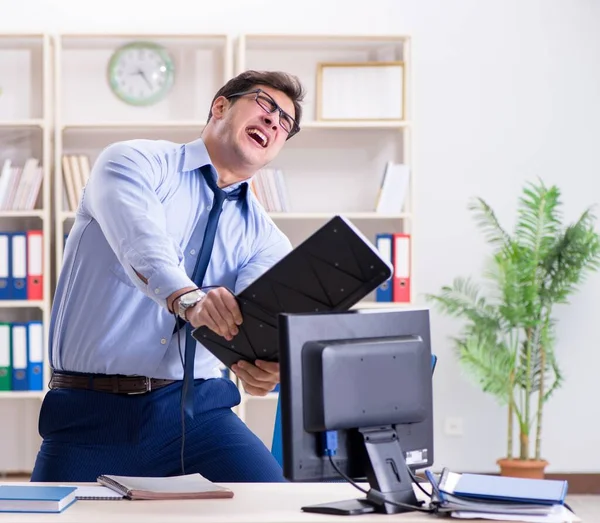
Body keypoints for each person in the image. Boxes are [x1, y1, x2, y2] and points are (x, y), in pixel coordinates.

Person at [31, 70, 305, 483]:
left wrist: (261, 364)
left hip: (200, 415)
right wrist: (188, 299)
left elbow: (257, 315)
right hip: (90, 415)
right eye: (265, 105)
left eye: (285, 123)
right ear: (220, 106)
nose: (273, 121)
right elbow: (142, 242)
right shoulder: (133, 162)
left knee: (278, 508)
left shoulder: (266, 237)